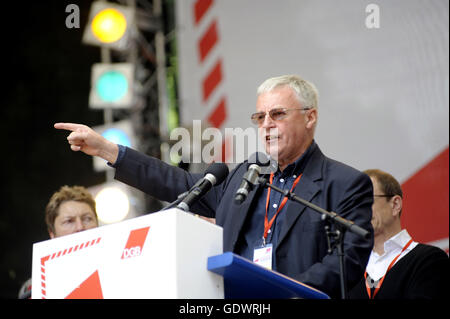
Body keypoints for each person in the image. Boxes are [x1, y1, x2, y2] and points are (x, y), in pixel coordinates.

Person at [54, 74, 374, 298]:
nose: (266, 125)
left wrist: (283, 291)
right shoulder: (245, 176)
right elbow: (176, 182)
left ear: (310, 117)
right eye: (259, 117)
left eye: (277, 114)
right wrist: (108, 150)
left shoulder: (346, 184)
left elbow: (345, 264)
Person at [349, 169, 449, 299]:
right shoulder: (350, 267)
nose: (359, 210)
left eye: (366, 200)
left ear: (395, 204)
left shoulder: (429, 259)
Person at [18, 185, 98, 298]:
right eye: (69, 221)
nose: (80, 227)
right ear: (52, 234)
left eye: (87, 218)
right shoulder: (36, 290)